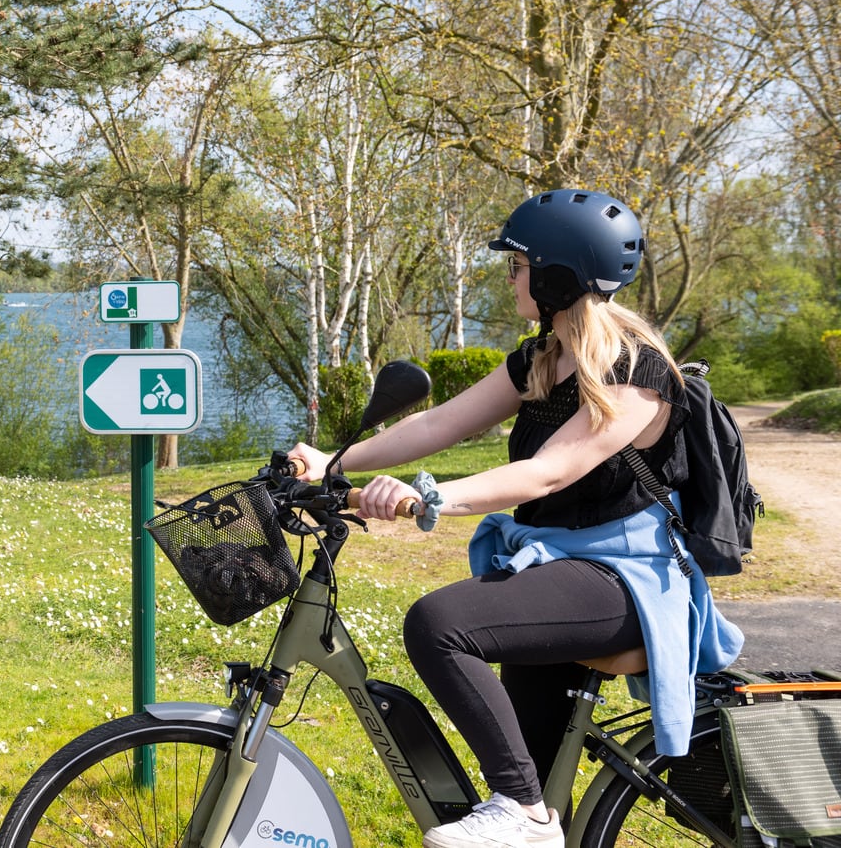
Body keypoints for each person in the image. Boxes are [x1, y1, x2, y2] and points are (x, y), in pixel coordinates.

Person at [288, 189, 742, 848]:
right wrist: (334, 460)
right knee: (521, 761)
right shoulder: (541, 359)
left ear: (558, 275)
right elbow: (440, 423)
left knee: (438, 623)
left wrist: (427, 500)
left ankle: (525, 811)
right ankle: (527, 808)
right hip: (558, 566)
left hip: (627, 578)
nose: (512, 278)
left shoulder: (639, 376)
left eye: (519, 265)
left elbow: (547, 472)